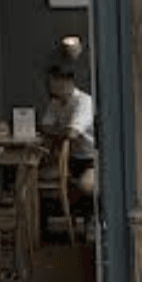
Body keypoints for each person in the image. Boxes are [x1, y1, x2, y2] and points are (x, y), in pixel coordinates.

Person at [39, 64, 97, 197]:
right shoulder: (55, 103)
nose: (50, 86)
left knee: (86, 186)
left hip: (92, 159)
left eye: (55, 81)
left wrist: (58, 131)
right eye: (50, 82)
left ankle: (90, 216)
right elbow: (45, 127)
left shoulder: (84, 102)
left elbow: (72, 133)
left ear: (68, 81)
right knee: (36, 178)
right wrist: (62, 131)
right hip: (71, 158)